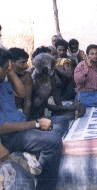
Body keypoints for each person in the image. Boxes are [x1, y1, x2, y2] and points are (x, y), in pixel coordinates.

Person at [0, 48, 69, 190]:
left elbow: (22, 93)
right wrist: (36, 124)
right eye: (6, 66)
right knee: (53, 141)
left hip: (20, 127)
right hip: (8, 136)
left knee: (61, 121)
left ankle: (39, 143)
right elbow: (3, 127)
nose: (9, 68)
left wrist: (11, 72)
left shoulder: (3, 83)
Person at [30, 53, 85, 120]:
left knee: (80, 111)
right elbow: (45, 106)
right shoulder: (33, 81)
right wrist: (68, 108)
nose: (55, 68)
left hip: (47, 110)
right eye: (53, 66)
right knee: (65, 118)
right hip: (37, 115)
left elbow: (55, 91)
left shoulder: (49, 75)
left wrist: (62, 108)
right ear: (45, 69)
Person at [7, 48, 33, 118]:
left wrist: (24, 121)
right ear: (10, 63)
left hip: (18, 113)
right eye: (22, 62)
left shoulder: (26, 76)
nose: (26, 66)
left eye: (26, 62)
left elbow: (27, 102)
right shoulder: (3, 76)